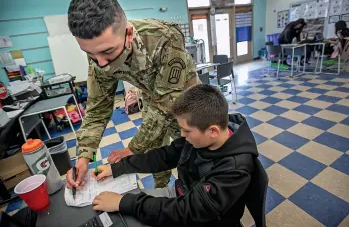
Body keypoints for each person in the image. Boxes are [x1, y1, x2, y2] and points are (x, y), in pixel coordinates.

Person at [66, 0, 200, 190]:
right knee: (156, 154)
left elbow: (165, 105)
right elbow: (97, 110)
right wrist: (84, 157)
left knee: (193, 159)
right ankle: (162, 190)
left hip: (188, 108)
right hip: (153, 103)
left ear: (128, 34)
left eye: (108, 52)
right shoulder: (98, 51)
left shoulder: (163, 38)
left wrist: (132, 149)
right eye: (90, 54)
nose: (100, 63)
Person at [90, 84, 260, 227]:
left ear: (213, 131)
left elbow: (187, 211)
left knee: (123, 213)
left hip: (200, 217)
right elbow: (164, 156)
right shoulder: (201, 137)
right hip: (181, 196)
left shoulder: (235, 169)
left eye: (186, 130)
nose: (182, 135)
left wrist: (123, 202)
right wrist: (117, 167)